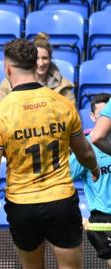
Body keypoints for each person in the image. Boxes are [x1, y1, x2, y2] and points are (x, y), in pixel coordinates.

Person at [0, 38, 99, 269]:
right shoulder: (62, 104)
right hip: (61, 200)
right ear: (36, 64)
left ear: (7, 68)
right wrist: (94, 168)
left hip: (22, 204)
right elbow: (84, 151)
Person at [70, 93, 111, 267]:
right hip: (103, 220)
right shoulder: (85, 148)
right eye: (100, 115)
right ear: (92, 117)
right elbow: (63, 179)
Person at [0, 32, 76, 107]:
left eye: (45, 58)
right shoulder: (7, 84)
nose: (41, 63)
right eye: (37, 58)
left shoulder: (63, 87)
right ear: (31, 59)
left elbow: (71, 117)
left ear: (50, 59)